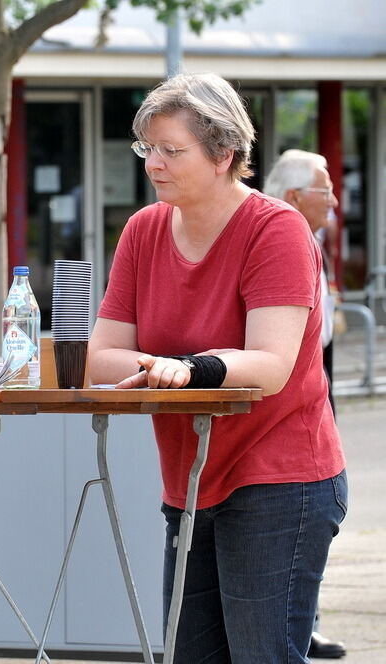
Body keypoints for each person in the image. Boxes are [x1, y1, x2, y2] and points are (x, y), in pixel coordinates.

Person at [88, 73, 346, 663]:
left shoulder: (276, 228)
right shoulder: (142, 230)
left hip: (282, 478)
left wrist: (187, 367)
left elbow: (272, 365)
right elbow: (102, 358)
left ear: (225, 154)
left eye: (171, 150)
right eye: (146, 147)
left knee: (263, 656)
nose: (153, 163)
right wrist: (167, 367)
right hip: (191, 478)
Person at [265, 149, 347, 659]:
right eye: (325, 191)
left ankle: (307, 620)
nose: (335, 201)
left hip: (317, 387)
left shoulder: (310, 239)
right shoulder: (280, 239)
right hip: (286, 403)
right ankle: (303, 623)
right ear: (295, 196)